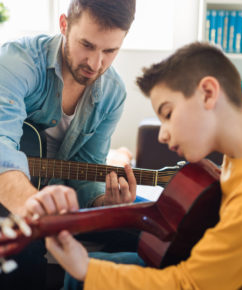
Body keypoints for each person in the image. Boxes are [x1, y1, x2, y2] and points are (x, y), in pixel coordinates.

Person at [28, 42, 242, 289]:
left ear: (208, 93)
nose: (162, 136)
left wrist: (85, 269)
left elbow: (188, 284)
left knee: (83, 275)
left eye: (167, 114)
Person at [0, 0, 136, 289]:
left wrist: (103, 202)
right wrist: (37, 210)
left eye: (110, 51)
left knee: (143, 234)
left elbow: (87, 167)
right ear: (64, 25)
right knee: (27, 244)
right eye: (86, 45)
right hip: (10, 193)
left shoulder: (113, 93)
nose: (95, 64)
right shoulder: (16, 61)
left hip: (60, 201)